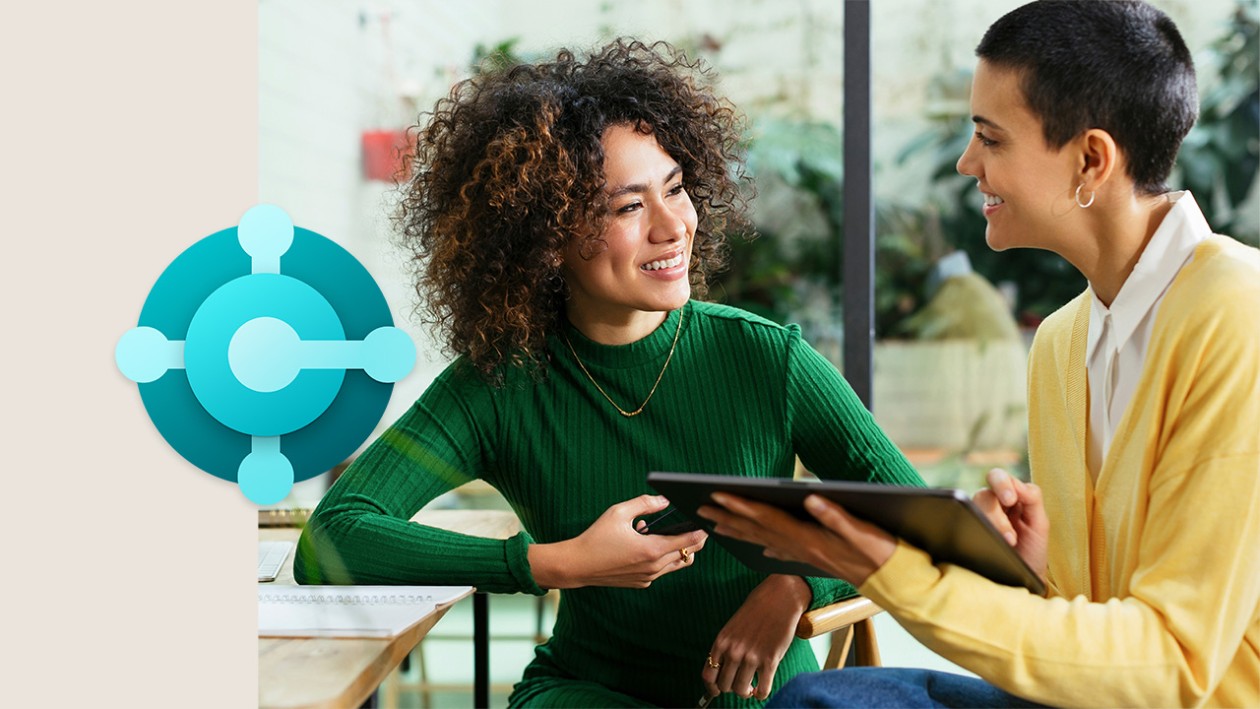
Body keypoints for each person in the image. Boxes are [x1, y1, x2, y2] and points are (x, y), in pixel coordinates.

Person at [293, 39, 924, 708]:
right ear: (546, 236)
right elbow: (332, 537)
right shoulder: (501, 384)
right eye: (628, 207)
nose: (673, 226)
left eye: (675, 189)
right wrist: (549, 563)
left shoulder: (769, 358)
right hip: (589, 693)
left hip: (762, 697)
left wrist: (796, 582)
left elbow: (917, 522)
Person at [701, 2, 1260, 707]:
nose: (968, 163)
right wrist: (1030, 575)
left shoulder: (1239, 316)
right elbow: (1091, 630)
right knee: (823, 699)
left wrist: (882, 565)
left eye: (990, 139)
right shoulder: (1062, 342)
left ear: (1091, 159)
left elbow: (1173, 665)